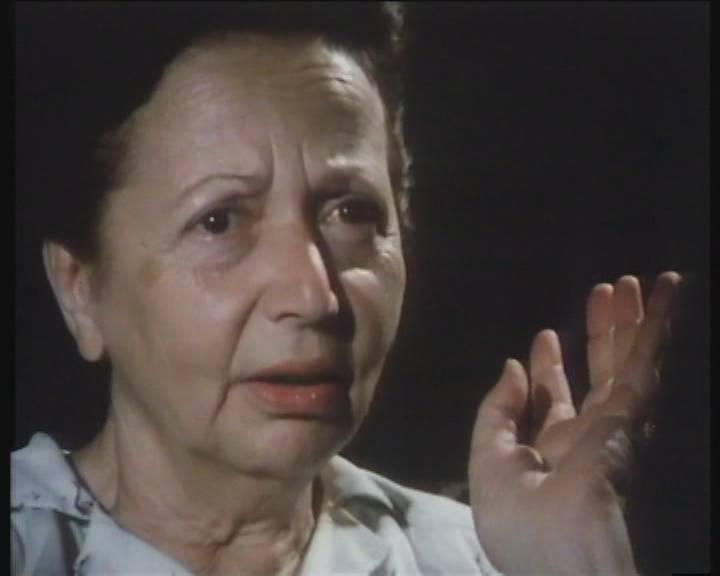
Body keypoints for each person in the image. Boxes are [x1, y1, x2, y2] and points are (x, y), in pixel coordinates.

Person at [13, 3, 684, 575]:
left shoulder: (480, 558)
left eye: (351, 213)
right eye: (219, 221)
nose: (314, 297)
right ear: (80, 289)